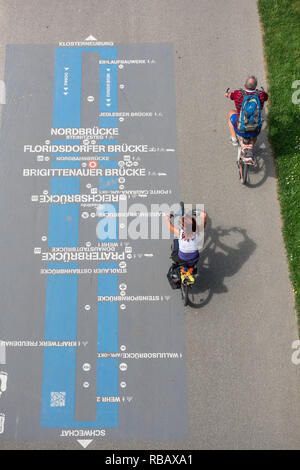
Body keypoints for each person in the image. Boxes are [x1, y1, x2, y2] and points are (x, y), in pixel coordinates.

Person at [225, 75, 268, 146]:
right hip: (255, 130)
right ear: (255, 86)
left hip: (240, 129)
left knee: (231, 113)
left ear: (245, 85)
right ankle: (251, 147)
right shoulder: (261, 95)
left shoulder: (238, 94)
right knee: (255, 136)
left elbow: (231, 95)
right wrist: (263, 93)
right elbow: (266, 97)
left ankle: (234, 139)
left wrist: (227, 94)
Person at [165, 211, 207, 285]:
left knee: (175, 239)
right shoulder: (197, 231)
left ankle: (179, 265)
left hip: (181, 259)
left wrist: (167, 217)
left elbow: (169, 225)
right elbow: (204, 219)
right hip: (194, 259)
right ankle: (192, 268)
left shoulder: (179, 232)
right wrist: (202, 215)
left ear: (184, 226)